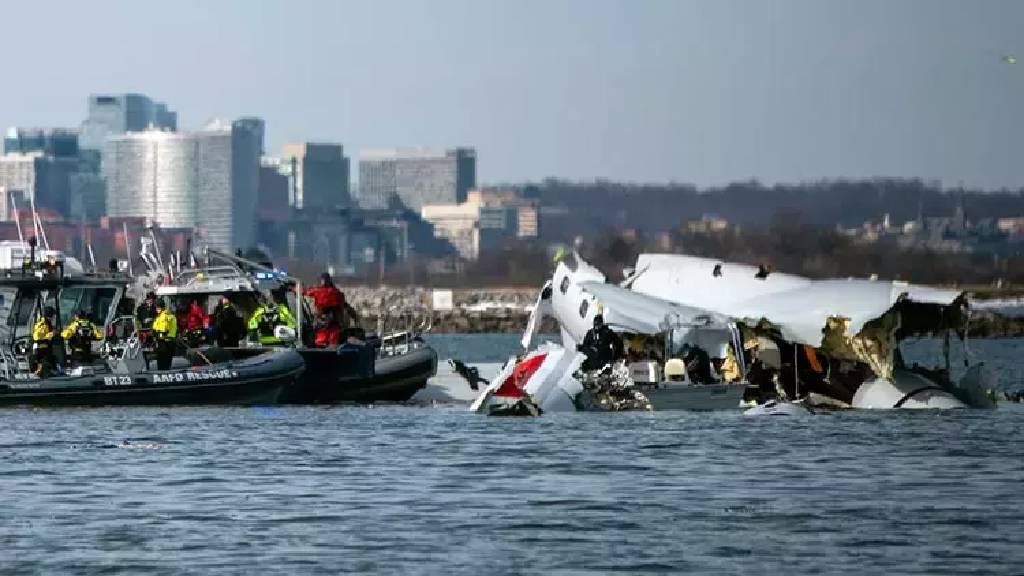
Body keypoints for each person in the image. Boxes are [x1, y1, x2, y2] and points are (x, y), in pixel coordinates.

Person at [30, 306, 58, 377]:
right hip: (41, 350)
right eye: (53, 315)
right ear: (49, 315)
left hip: (46, 350)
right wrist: (51, 334)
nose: (54, 317)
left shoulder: (47, 323)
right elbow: (36, 336)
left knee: (51, 362)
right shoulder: (43, 324)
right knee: (44, 365)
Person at [151, 300, 178, 370]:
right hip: (169, 341)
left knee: (162, 362)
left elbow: (162, 330)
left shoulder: (163, 316)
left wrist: (156, 336)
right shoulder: (162, 316)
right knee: (167, 361)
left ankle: (162, 374)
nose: (157, 310)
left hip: (164, 342)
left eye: (158, 308)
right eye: (156, 308)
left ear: (162, 308)